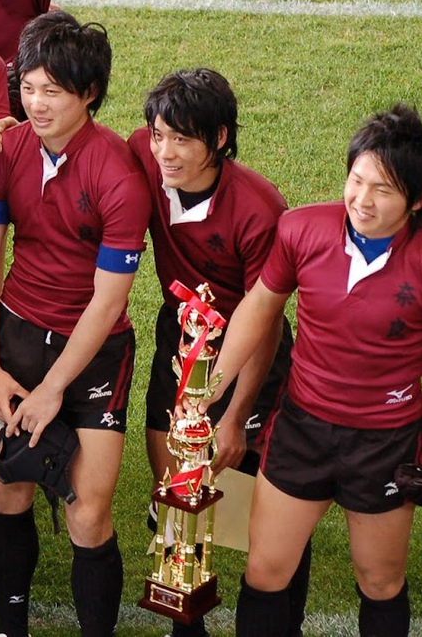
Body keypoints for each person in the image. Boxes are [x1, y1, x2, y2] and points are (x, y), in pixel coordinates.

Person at [199, 104, 422, 637]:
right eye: (356, 180)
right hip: (302, 428)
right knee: (265, 570)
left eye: (383, 189)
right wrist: (209, 389)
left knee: (379, 581)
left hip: (385, 440)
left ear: (416, 201)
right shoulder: (301, 229)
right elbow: (259, 307)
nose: (362, 200)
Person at [0, 10, 148, 637]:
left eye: (54, 91)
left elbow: (107, 301)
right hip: (16, 338)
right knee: (7, 489)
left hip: (94, 354)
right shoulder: (7, 149)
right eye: (28, 87)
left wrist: (51, 390)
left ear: (89, 93)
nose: (36, 104)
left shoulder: (118, 173)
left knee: (87, 515)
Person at [129, 68, 306, 637]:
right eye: (159, 135)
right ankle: (186, 626)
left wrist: (234, 418)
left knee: (263, 506)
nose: (165, 152)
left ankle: (282, 620)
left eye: (182, 139)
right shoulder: (144, 156)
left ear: (220, 138)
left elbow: (265, 322)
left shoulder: (259, 208)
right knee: (176, 492)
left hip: (248, 348)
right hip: (181, 338)